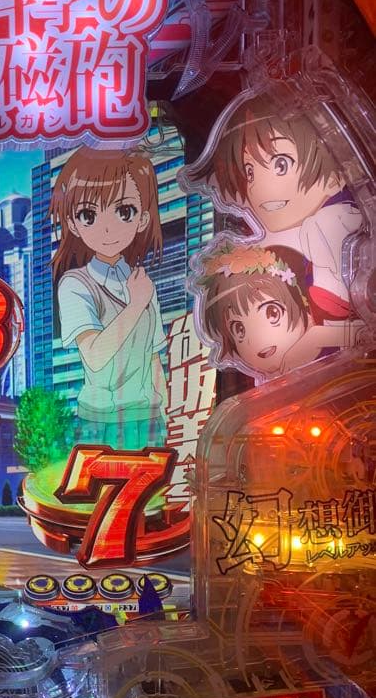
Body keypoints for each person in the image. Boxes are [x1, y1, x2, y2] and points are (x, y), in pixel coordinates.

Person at [184, 86, 363, 324]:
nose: (257, 187)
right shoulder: (265, 247)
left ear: (335, 175)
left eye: (280, 164)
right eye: (249, 173)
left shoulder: (332, 222)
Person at [50, 147, 167, 449]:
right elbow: (95, 355)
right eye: (88, 215)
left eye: (124, 211)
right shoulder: (75, 284)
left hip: (149, 418)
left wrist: (168, 414)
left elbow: (154, 358)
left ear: (142, 218)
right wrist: (136, 304)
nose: (106, 228)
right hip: (101, 421)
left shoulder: (141, 282)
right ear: (73, 224)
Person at [195, 241, 363, 380]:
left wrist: (317, 338)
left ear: (302, 303)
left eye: (272, 313)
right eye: (239, 329)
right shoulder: (265, 382)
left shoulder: (318, 337)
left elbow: (364, 333)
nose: (256, 341)